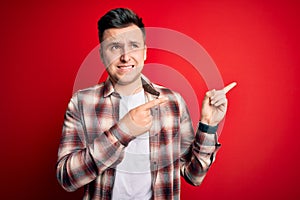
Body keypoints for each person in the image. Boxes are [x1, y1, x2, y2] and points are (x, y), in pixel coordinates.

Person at [56, 8, 236, 200]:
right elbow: (67, 179)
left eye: (133, 45)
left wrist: (208, 125)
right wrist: (122, 131)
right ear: (102, 54)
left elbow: (194, 175)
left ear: (144, 53)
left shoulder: (172, 102)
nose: (125, 57)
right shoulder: (82, 103)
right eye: (115, 47)